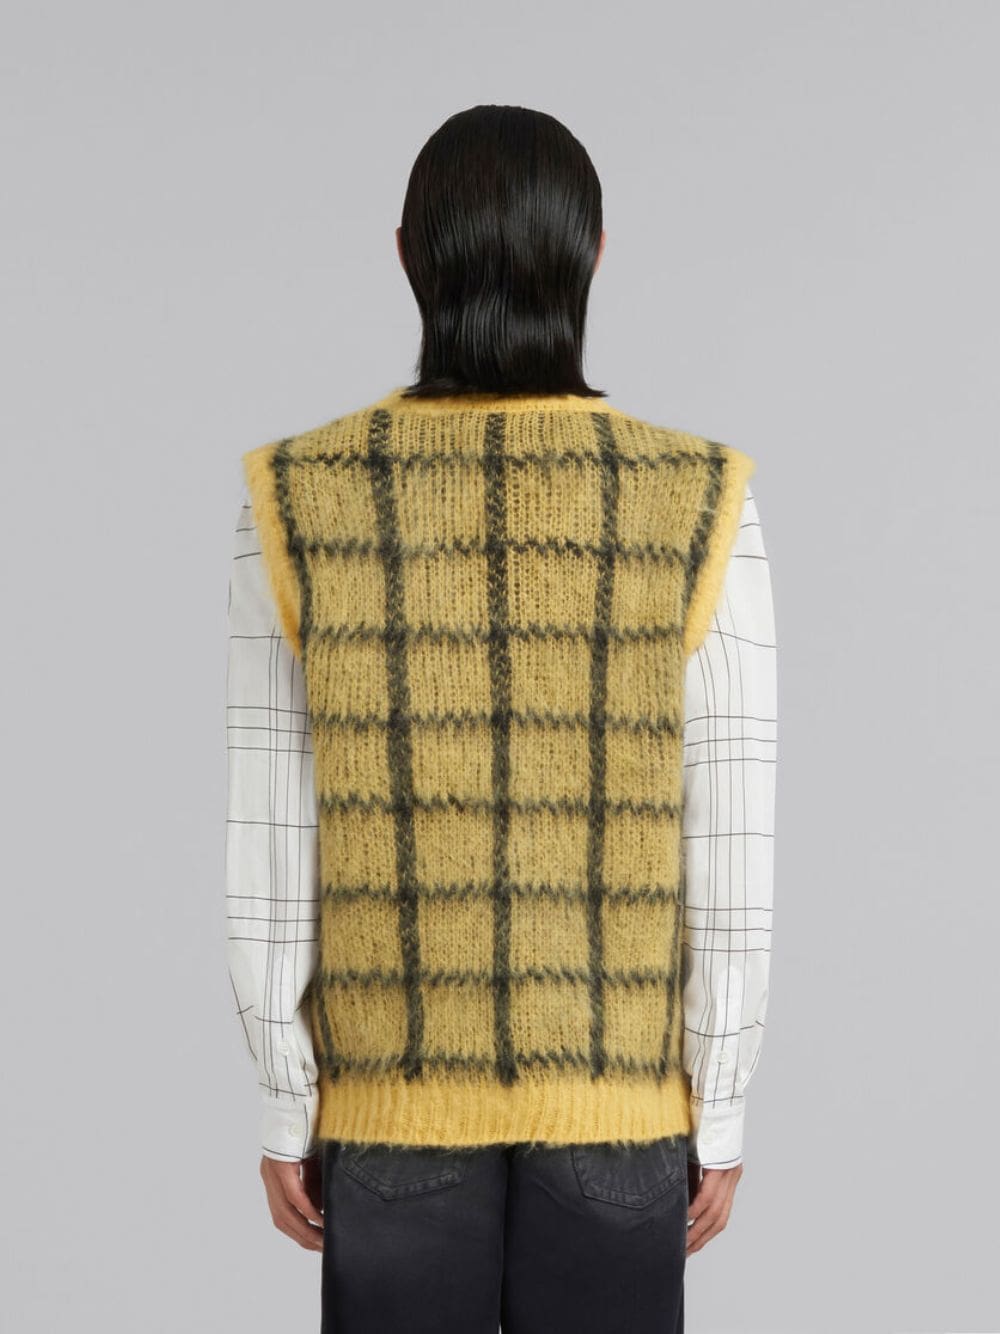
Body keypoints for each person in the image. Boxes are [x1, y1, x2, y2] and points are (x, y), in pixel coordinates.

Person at [225, 103, 776, 1334]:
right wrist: (723, 1096)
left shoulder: (296, 496)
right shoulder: (700, 497)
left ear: (407, 256)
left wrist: (283, 1094)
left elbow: (271, 835)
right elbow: (730, 837)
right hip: (621, 1110)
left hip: (389, 1103)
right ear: (593, 255)